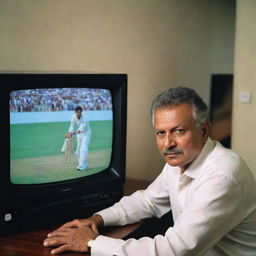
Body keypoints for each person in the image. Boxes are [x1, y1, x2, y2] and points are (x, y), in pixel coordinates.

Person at [44, 87, 256, 255]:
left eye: (179, 131)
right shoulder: (180, 159)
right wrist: (99, 218)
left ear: (204, 130)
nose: (168, 143)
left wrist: (91, 242)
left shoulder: (222, 174)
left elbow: (175, 249)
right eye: (160, 133)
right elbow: (149, 201)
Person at [61, 106, 92, 171]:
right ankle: (85, 163)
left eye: (80, 112)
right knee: (77, 152)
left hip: (86, 134)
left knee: (83, 148)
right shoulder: (73, 117)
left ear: (81, 112)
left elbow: (79, 130)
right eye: (77, 112)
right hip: (79, 135)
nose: (79, 113)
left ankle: (81, 165)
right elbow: (71, 126)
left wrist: (71, 134)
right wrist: (69, 133)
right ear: (75, 112)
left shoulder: (84, 119)